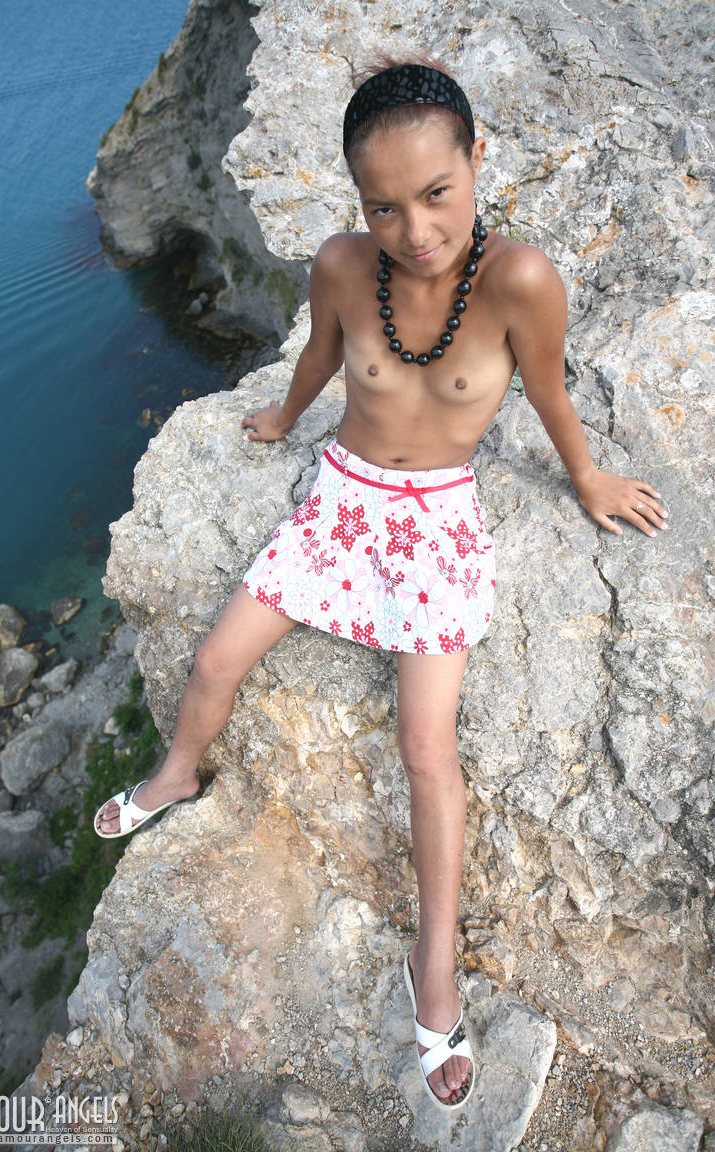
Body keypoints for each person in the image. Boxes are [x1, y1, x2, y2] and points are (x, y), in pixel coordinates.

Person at [94, 60, 668, 1109]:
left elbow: (548, 390)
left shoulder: (522, 281)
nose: (414, 229)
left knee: (425, 750)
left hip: (438, 519)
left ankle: (432, 967)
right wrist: (282, 417)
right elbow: (321, 357)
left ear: (477, 158)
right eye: (384, 207)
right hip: (342, 499)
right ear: (360, 203)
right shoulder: (342, 265)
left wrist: (587, 476)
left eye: (437, 193)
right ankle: (176, 775)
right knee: (216, 659)